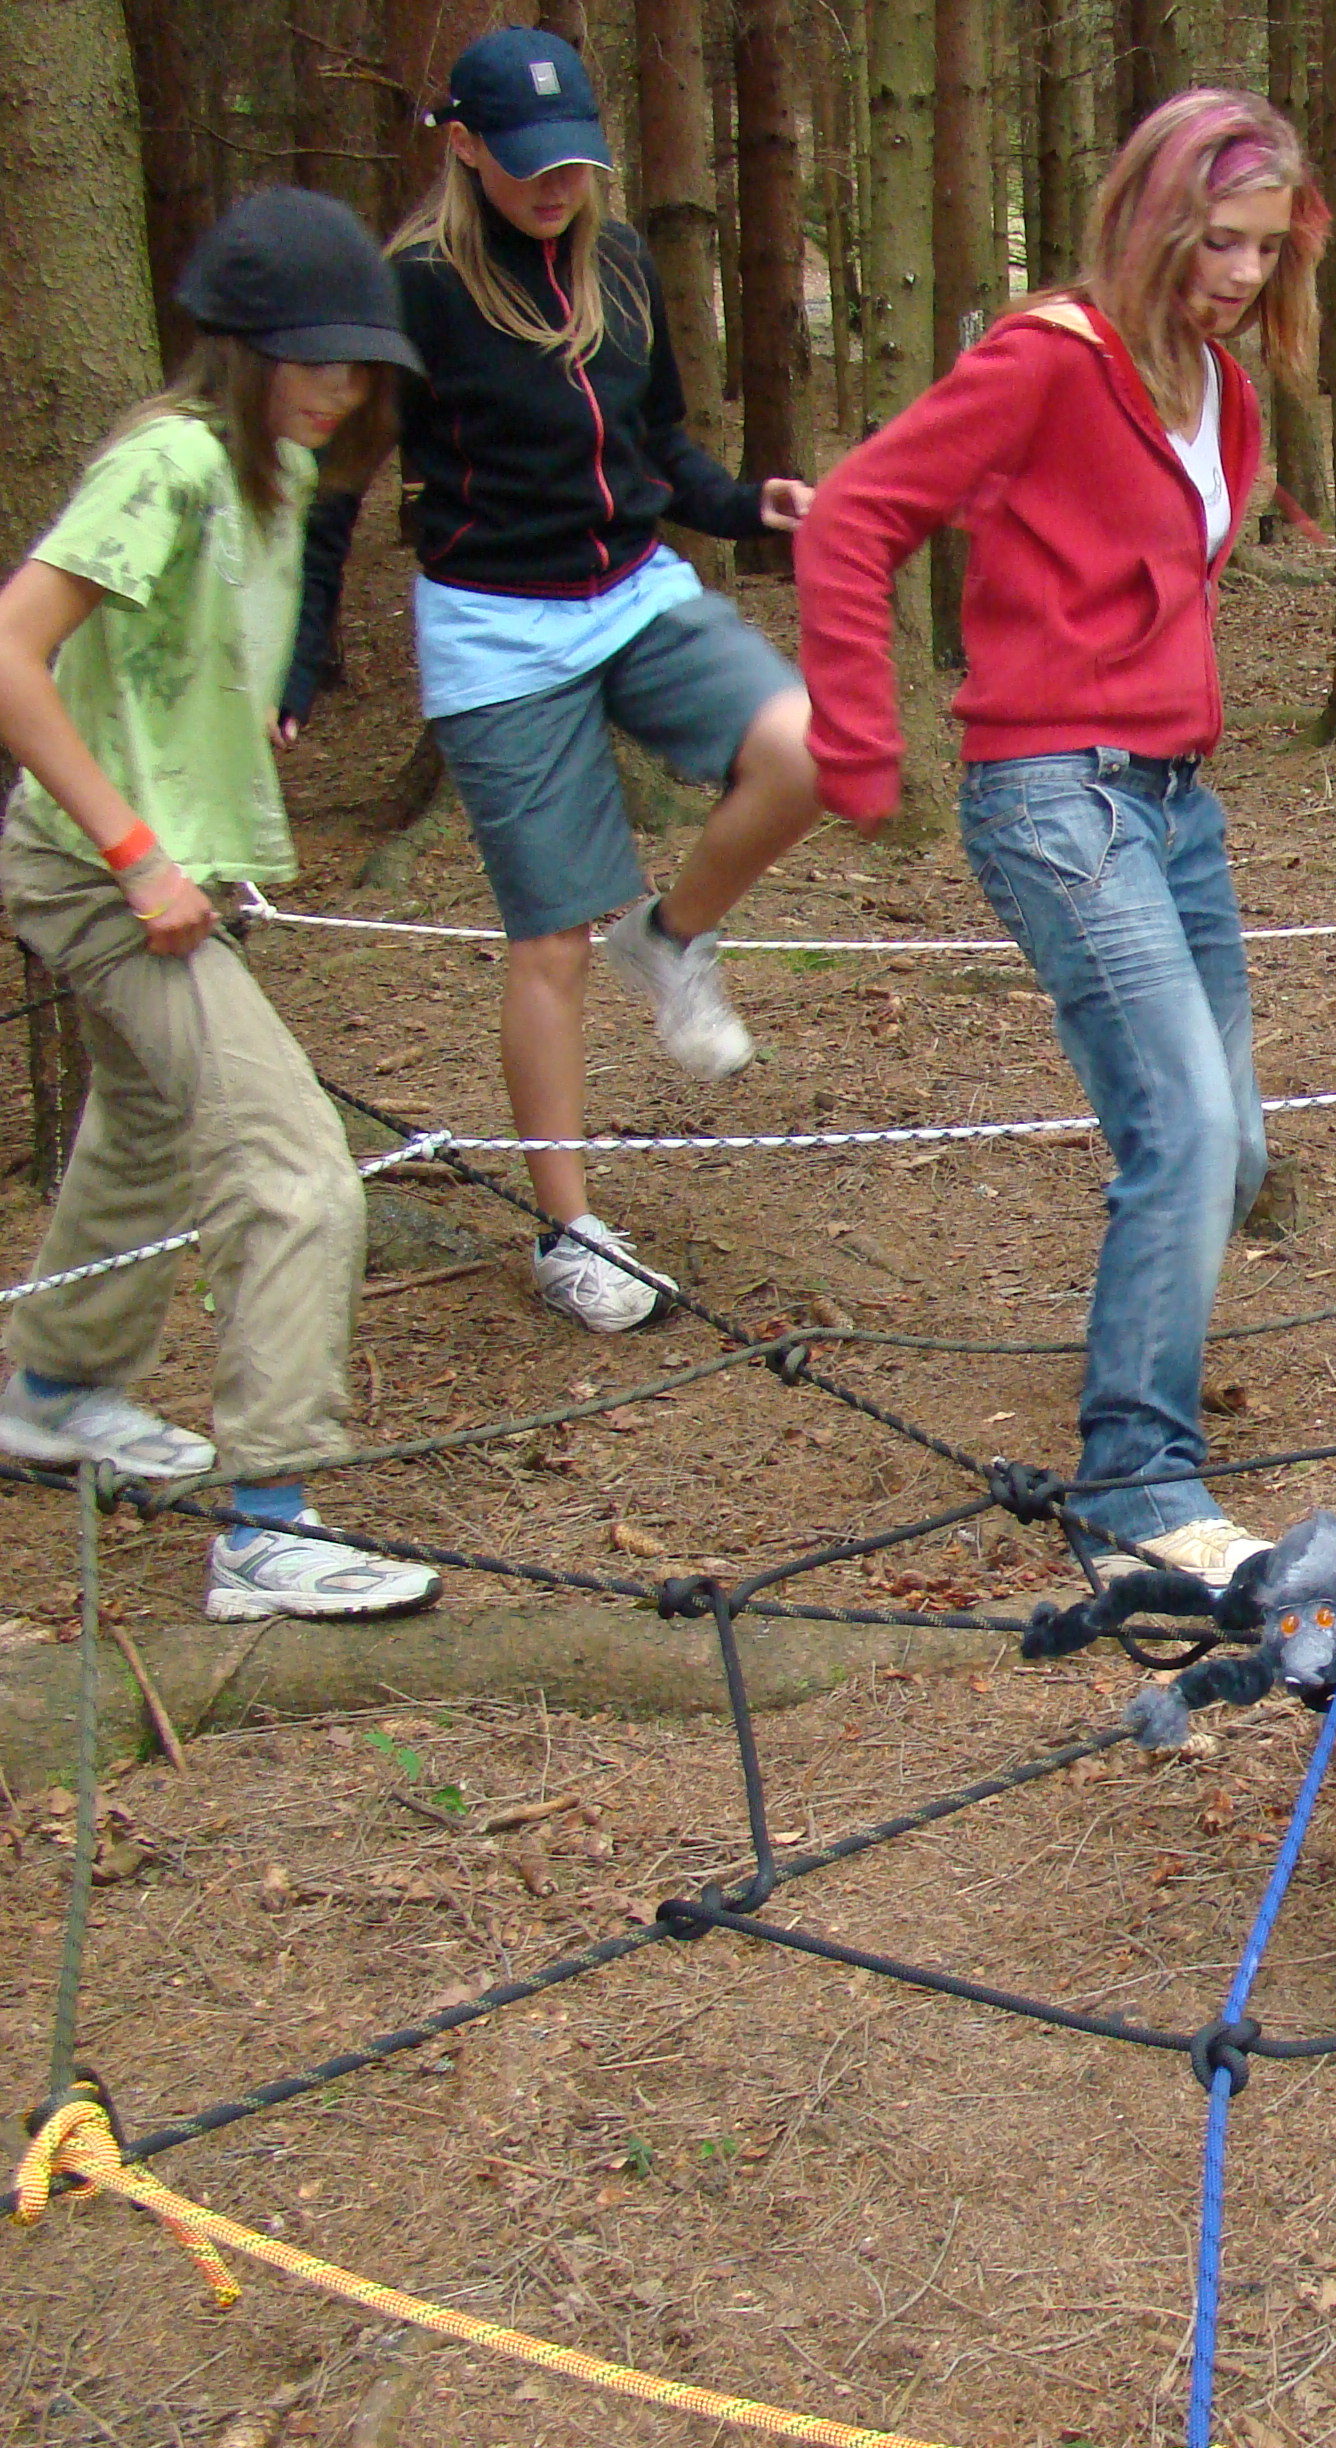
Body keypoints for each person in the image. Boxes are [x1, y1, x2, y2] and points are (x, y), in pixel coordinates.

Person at [792, 91, 1328, 1589]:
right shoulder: (1048, 357)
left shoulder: (1224, 389)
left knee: (1229, 1149)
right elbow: (851, 518)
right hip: (1054, 792)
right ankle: (1137, 1492)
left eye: (1265, 247)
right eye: (1217, 240)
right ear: (1152, 218)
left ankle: (1140, 1374)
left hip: (1173, 800)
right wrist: (859, 738)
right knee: (1188, 1131)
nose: (1240, 271)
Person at [287, 27, 825, 1336]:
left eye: (574, 159)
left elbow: (658, 444)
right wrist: (300, 655)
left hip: (634, 590)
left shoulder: (620, 264)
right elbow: (336, 485)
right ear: (466, 146)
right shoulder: (414, 288)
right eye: (528, 162)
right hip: (494, 630)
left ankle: (674, 937)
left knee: (809, 747)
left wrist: (746, 504)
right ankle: (569, 1231)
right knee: (549, 941)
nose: (556, 184)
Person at [0, 189, 442, 1623]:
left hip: (155, 876)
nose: (342, 388)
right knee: (296, 1171)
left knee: (141, 1129)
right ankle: (269, 1524)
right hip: (98, 877)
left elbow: (178, 665)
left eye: (360, 364)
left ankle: (53, 1391)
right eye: (316, 360)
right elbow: (12, 650)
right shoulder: (173, 460)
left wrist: (227, 765)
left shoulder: (271, 478)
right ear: (245, 351)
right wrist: (138, 850)